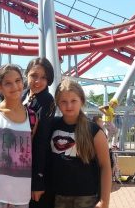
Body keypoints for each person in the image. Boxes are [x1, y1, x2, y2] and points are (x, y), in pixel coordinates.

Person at [0, 64, 42, 208]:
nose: (14, 86)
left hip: (21, 192)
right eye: (8, 83)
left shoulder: (32, 118)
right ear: (0, 87)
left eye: (18, 81)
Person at [50, 78, 112, 208]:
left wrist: (104, 201)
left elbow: (105, 166)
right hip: (58, 196)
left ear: (82, 101)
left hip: (86, 197)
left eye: (73, 101)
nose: (69, 106)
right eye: (64, 102)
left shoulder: (94, 131)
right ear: (58, 103)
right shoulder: (52, 125)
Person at [22, 57, 55, 208]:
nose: (38, 81)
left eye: (44, 77)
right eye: (34, 75)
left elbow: (41, 141)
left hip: (35, 168)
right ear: (26, 74)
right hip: (19, 164)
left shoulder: (47, 101)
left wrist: (37, 180)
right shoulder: (23, 95)